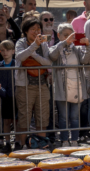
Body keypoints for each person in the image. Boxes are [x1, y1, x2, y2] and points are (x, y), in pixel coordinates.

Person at [15, 17, 52, 150]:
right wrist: (34, 46)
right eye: (33, 29)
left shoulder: (44, 43)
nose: (36, 31)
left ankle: (41, 144)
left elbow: (49, 63)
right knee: (24, 116)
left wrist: (34, 54)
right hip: (25, 86)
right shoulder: (20, 42)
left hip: (42, 85)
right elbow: (20, 57)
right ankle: (23, 145)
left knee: (42, 116)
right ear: (25, 31)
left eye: (38, 29)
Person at [0, 40, 16, 152]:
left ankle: (19, 141)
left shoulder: (17, 64)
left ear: (13, 51)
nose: (5, 52)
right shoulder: (0, 65)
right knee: (6, 121)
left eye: (8, 50)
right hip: (4, 95)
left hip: (16, 95)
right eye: (3, 50)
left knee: (17, 120)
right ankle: (8, 142)